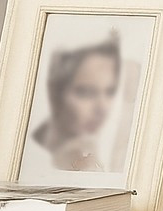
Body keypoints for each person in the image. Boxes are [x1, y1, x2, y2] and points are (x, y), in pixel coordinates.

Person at [31, 34, 121, 171]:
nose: (102, 108)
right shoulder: (32, 154)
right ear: (55, 92)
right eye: (86, 92)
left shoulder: (102, 150)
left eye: (109, 91)